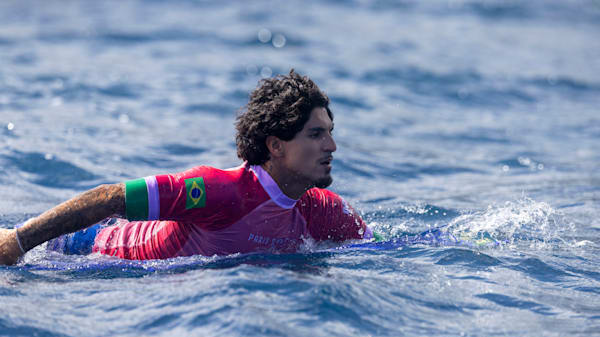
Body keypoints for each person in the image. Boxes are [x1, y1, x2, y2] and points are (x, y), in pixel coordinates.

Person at [0, 70, 372, 265]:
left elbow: (387, 254)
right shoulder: (220, 191)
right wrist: (17, 242)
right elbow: (111, 197)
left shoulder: (325, 210)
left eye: (330, 133)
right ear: (276, 146)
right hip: (86, 250)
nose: (332, 146)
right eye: (316, 134)